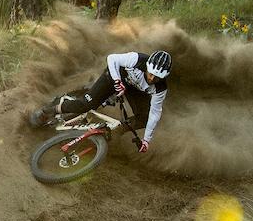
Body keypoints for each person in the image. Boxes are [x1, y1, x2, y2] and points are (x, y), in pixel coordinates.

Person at [29, 51, 171, 153]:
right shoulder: (137, 59)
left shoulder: (160, 88)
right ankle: (47, 112)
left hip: (133, 89)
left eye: (157, 77)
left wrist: (146, 140)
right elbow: (112, 59)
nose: (152, 79)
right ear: (147, 66)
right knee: (85, 105)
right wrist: (116, 81)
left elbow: (155, 113)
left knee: (145, 118)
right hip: (114, 76)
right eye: (150, 73)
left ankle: (117, 130)